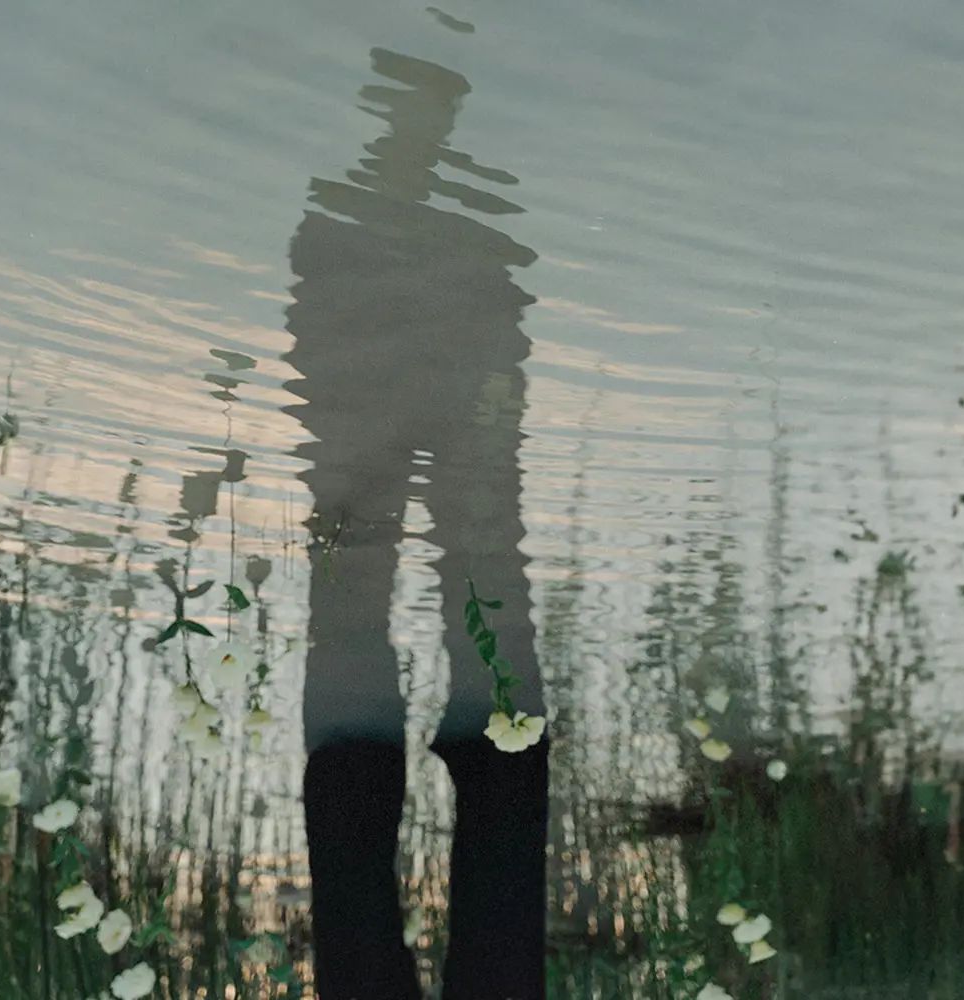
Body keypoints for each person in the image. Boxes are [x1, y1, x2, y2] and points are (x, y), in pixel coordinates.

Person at [281, 46, 549, 1000]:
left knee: (385, 560)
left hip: (379, 291)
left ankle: (408, 236)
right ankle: (415, 245)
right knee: (418, 563)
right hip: (385, 289)